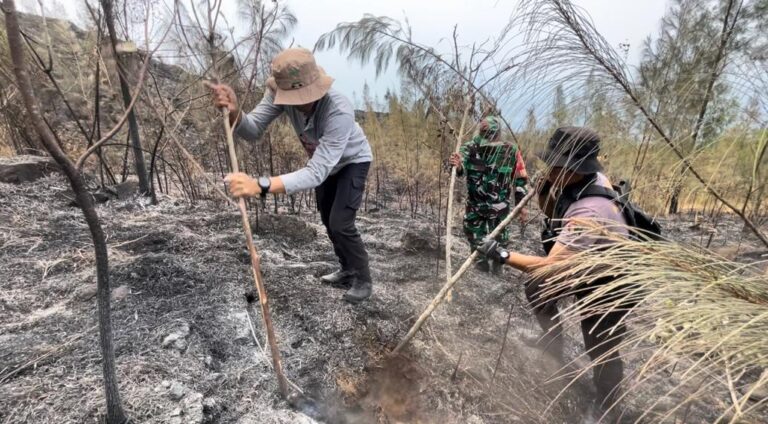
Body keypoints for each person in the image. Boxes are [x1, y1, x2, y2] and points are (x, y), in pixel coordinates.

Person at [477, 126, 630, 410]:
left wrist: (501, 253)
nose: (550, 169)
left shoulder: (590, 210)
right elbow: (549, 210)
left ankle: (608, 405)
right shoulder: (583, 180)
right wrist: (547, 183)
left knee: (599, 342)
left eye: (556, 165)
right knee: (538, 288)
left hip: (610, 280)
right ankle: (553, 343)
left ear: (575, 168)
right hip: (584, 262)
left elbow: (550, 266)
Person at [208, 48, 374, 304]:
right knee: (328, 220)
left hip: (352, 161)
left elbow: (317, 171)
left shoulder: (338, 108)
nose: (302, 104)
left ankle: (363, 278)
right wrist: (233, 111)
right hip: (323, 165)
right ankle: (347, 269)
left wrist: (260, 185)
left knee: (342, 222)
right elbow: (252, 130)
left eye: (306, 96)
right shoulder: (279, 95)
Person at [448, 115, 528, 274]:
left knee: (500, 242)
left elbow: (520, 178)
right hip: (475, 207)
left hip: (499, 209)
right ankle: (480, 271)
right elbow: (460, 164)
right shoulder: (471, 147)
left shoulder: (510, 150)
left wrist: (521, 206)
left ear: (498, 134)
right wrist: (457, 165)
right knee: (476, 241)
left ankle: (498, 269)